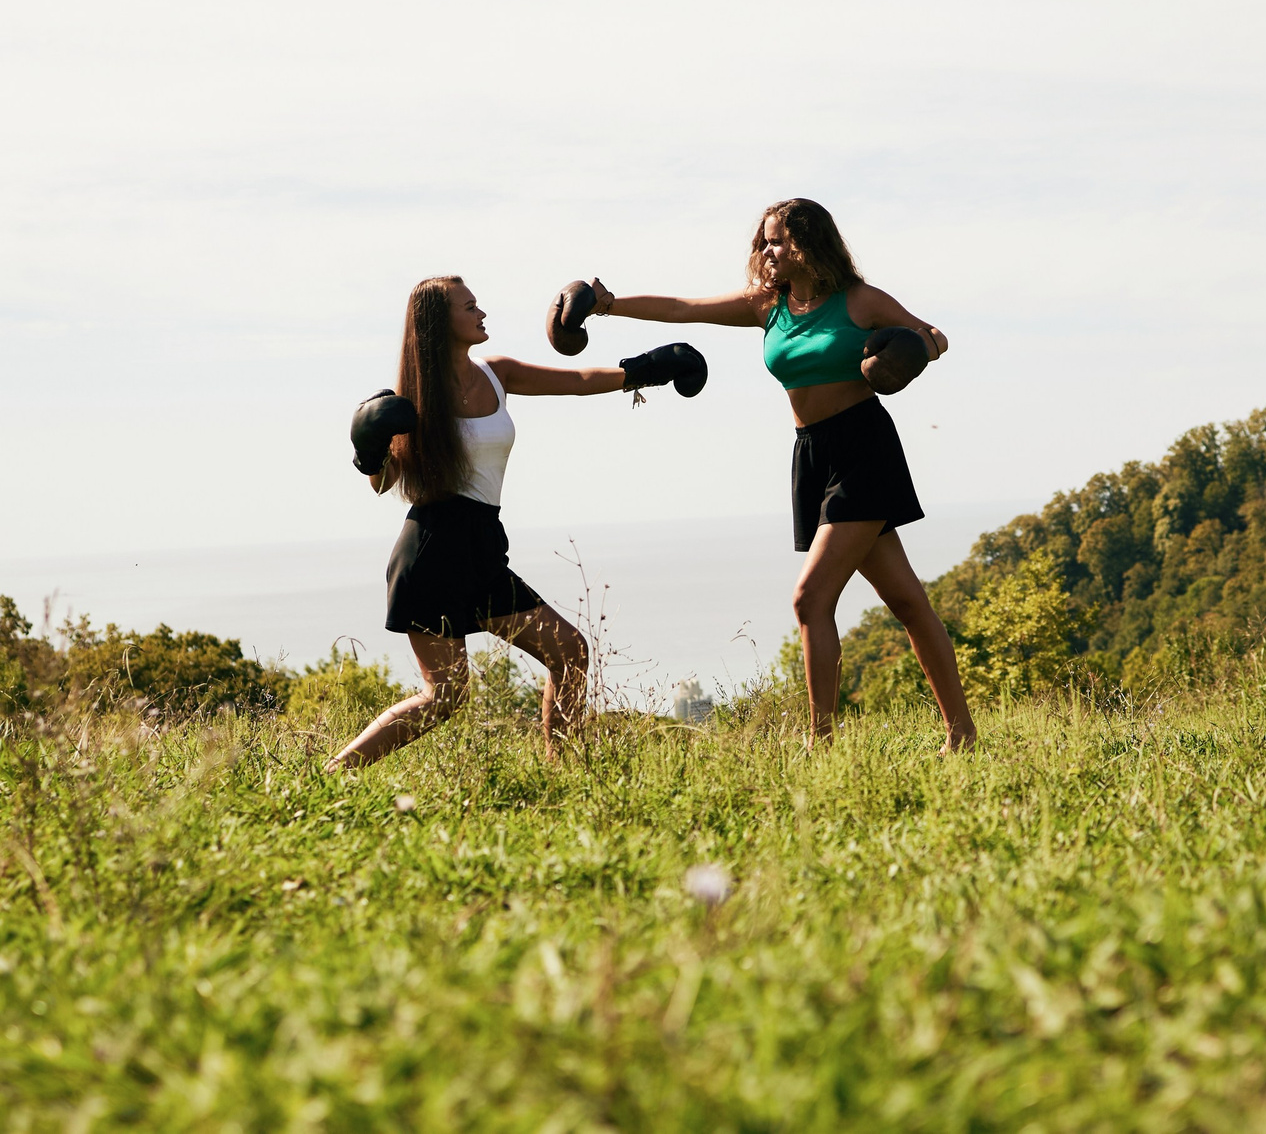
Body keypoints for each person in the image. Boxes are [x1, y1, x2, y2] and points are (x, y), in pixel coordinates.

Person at [570, 199, 976, 751]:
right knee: (906, 602)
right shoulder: (769, 306)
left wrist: (912, 350)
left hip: (864, 448)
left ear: (809, 244)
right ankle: (963, 734)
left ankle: (821, 742)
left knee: (810, 599)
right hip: (812, 455)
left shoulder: (859, 301)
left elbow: (935, 336)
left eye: (778, 241)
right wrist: (609, 304)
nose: (766, 252)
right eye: (763, 242)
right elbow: (684, 306)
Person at [329, 275, 702, 771]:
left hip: (482, 547)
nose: (482, 313)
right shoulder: (413, 399)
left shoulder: (497, 373)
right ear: (441, 322)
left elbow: (580, 382)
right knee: (443, 696)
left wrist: (648, 369)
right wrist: (367, 452)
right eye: (470, 306)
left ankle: (561, 772)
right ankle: (335, 773)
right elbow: (384, 482)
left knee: (569, 652)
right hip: (431, 552)